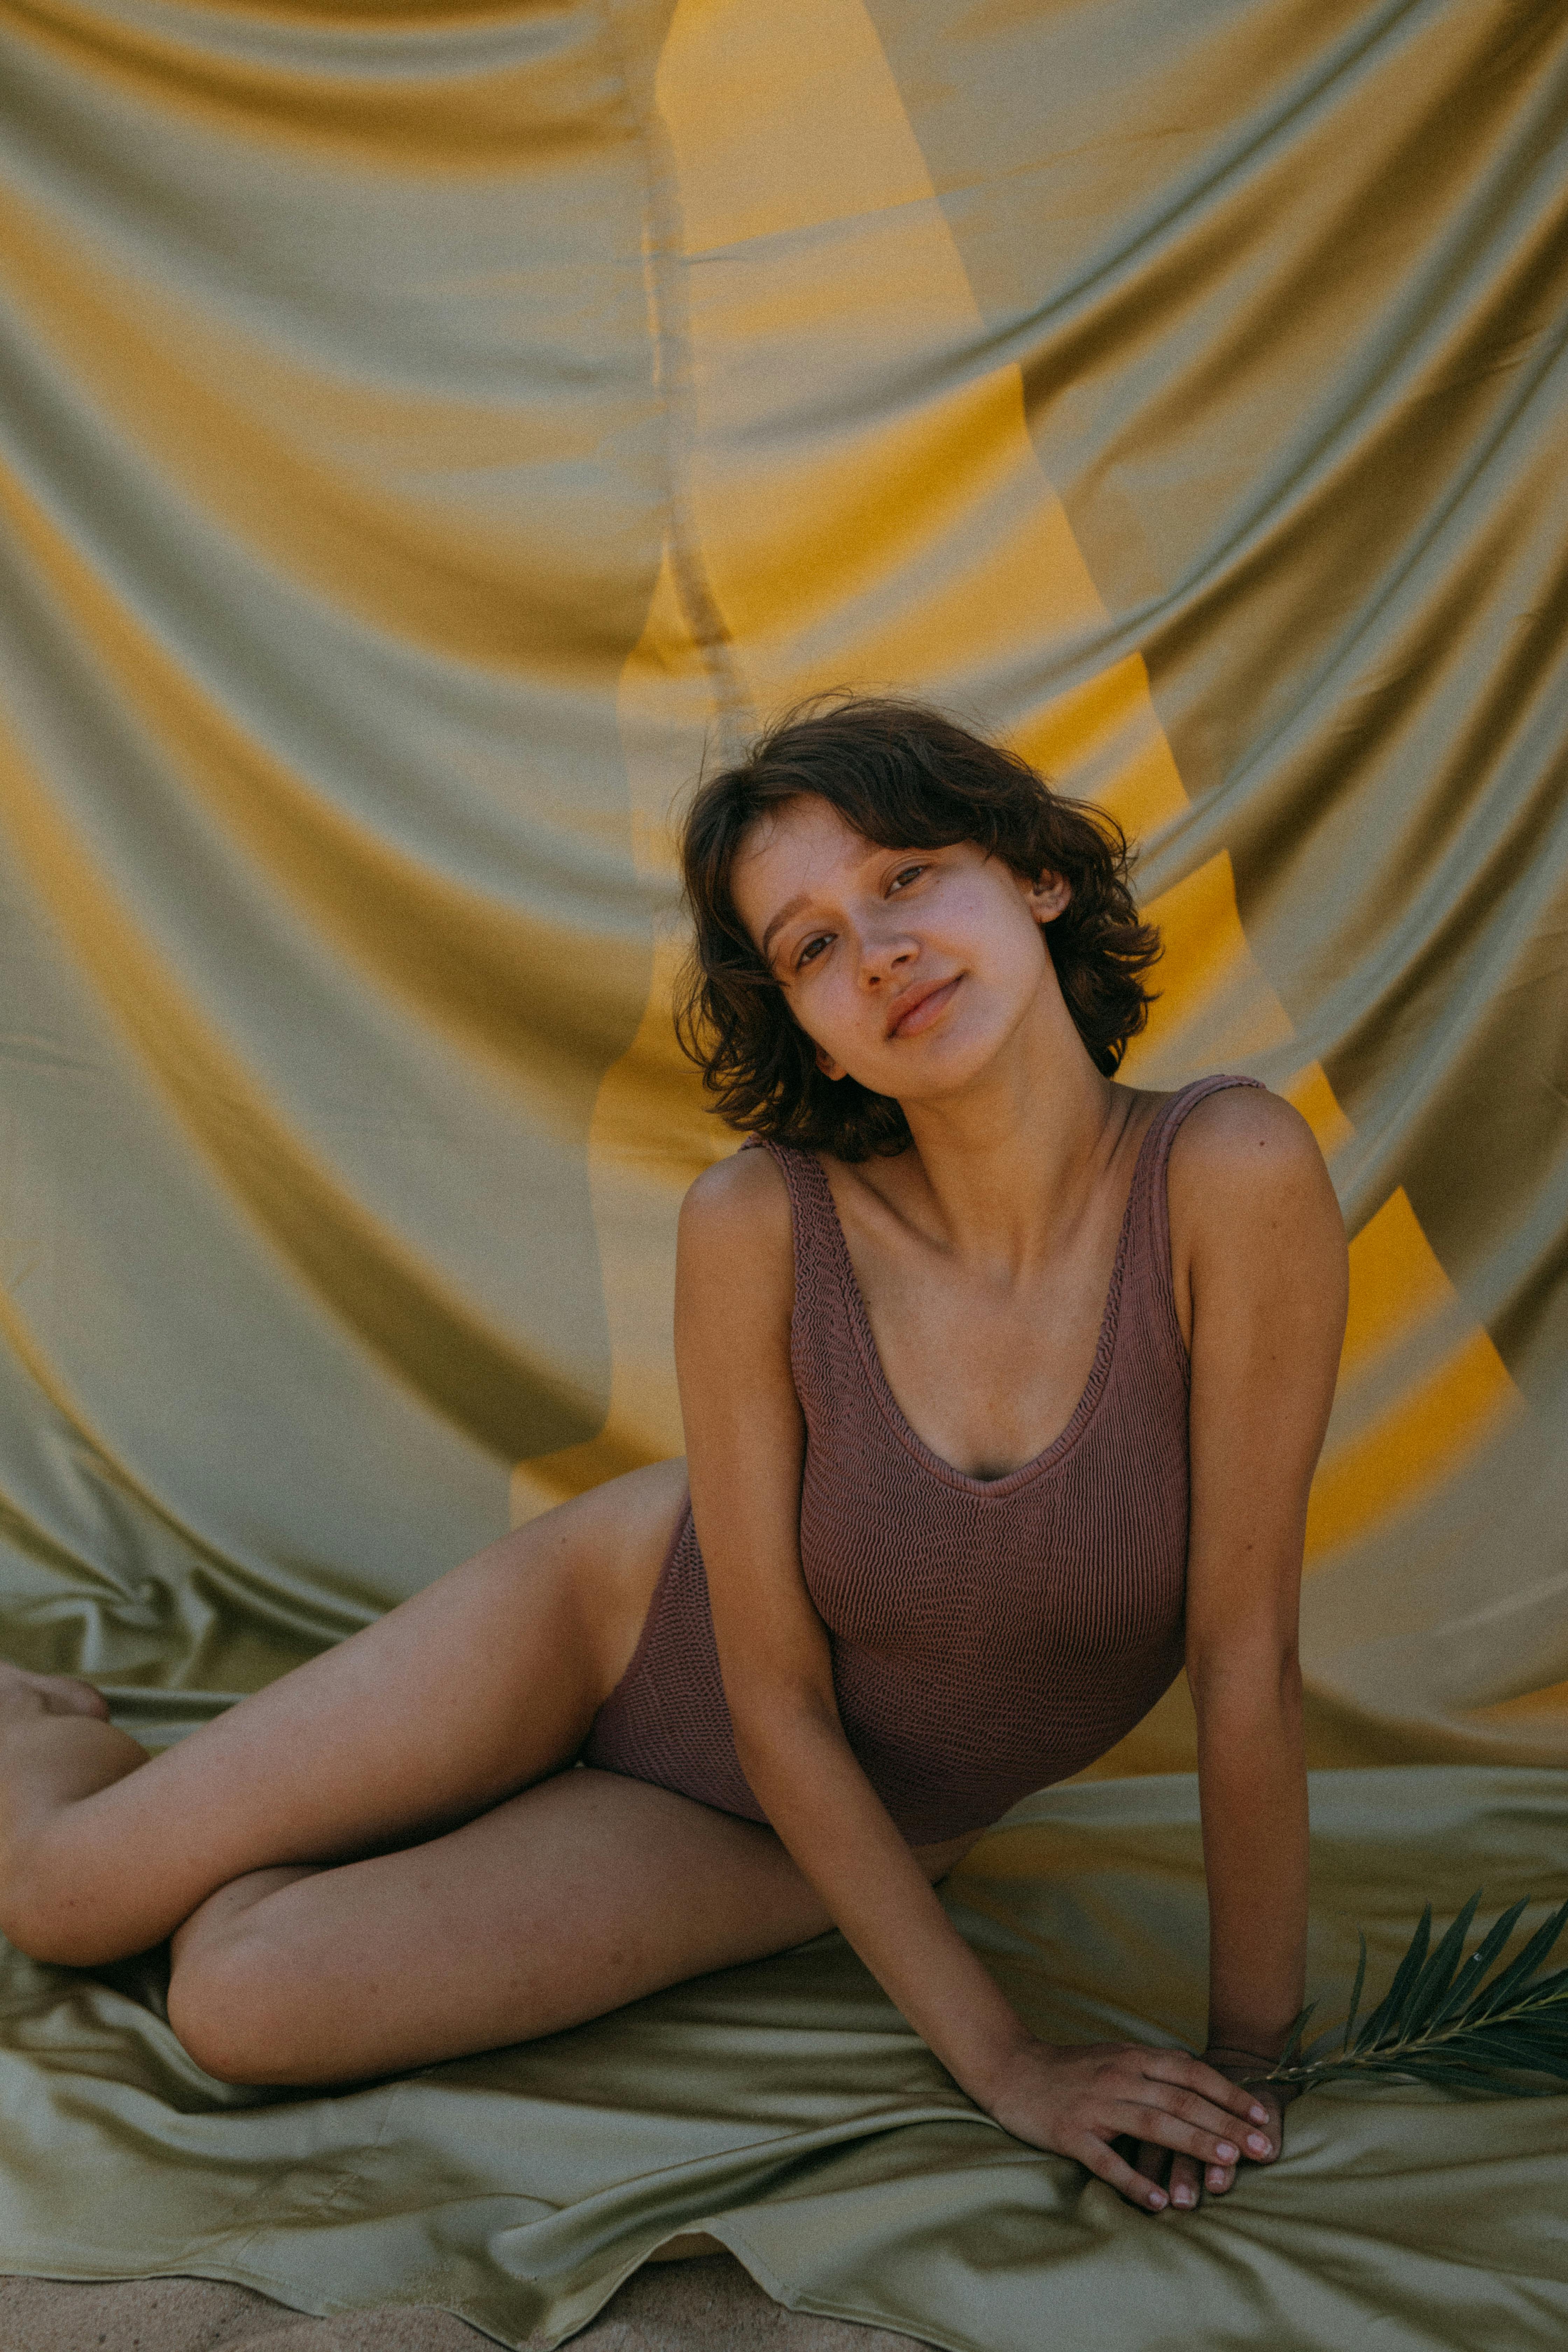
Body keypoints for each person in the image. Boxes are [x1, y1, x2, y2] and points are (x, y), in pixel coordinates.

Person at [0, 698, 1347, 2219]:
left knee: (237, 2002)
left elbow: (1247, 1661)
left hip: (829, 1818)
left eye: (905, 877)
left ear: (1037, 876)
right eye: (812, 945)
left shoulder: (1225, 1179)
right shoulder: (763, 1223)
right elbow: (772, 1699)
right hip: (618, 1623)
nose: (879, 952)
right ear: (801, 1020)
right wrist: (1006, 2066)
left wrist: (1253, 2065)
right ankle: (41, 1722)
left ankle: (346, 1824)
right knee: (61, 1894)